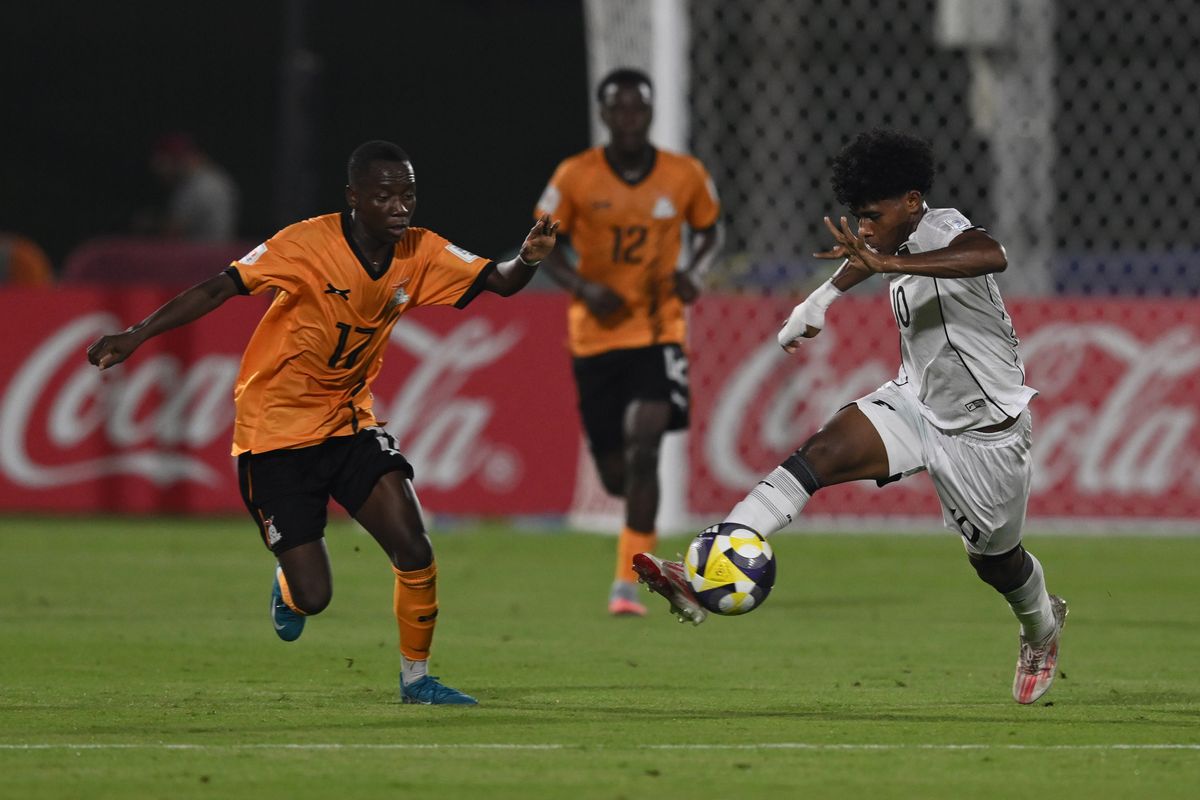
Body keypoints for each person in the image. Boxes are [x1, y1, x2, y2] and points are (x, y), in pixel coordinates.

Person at [88, 140, 559, 706]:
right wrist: (135, 334)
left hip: (348, 422)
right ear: (354, 198)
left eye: (407, 194)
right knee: (315, 596)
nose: (399, 207)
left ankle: (417, 680)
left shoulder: (421, 251)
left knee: (414, 546)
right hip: (274, 434)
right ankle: (289, 587)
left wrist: (529, 257)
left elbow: (500, 281)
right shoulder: (305, 243)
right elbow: (220, 286)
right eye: (384, 196)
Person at [633, 128, 1068, 705]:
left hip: (984, 432)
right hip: (914, 404)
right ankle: (709, 565)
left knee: (997, 563)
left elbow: (994, 254)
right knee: (818, 456)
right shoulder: (894, 239)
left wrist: (883, 258)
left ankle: (1042, 626)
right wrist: (816, 301)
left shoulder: (945, 230)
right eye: (857, 216)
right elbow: (870, 260)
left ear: (912, 202)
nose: (863, 226)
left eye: (871, 214)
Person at [534, 67, 722, 616]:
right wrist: (581, 287)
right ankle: (631, 547)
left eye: (639, 108)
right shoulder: (574, 176)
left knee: (646, 447)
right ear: (605, 114)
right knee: (616, 472)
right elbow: (545, 243)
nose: (631, 118)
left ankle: (627, 582)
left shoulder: (684, 175)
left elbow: (710, 230)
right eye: (620, 109)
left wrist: (697, 272)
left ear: (651, 112)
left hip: (659, 329)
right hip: (594, 337)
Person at [147, 133, 240, 241]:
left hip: (202, 253)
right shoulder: (217, 177)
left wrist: (150, 223)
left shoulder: (199, 185)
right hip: (217, 251)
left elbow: (173, 230)